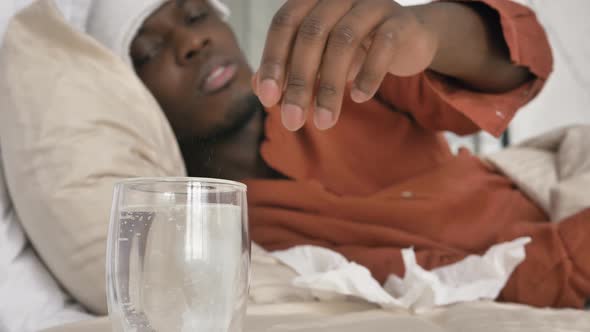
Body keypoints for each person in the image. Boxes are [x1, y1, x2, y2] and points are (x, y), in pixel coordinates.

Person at [86, 0, 590, 309]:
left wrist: (427, 30)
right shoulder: (232, 237)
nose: (193, 40)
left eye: (197, 15)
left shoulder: (345, 78)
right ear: (131, 98)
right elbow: (469, 282)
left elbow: (519, 66)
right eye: (148, 52)